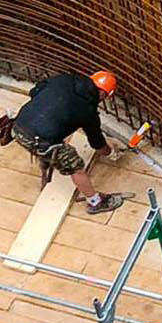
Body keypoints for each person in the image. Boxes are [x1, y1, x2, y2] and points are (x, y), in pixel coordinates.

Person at [10, 67, 125, 215]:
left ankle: (46, 162)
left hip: (17, 126)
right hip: (39, 141)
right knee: (76, 166)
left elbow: (35, 91)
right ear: (103, 93)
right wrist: (111, 153)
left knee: (50, 138)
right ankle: (96, 202)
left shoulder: (63, 79)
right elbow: (97, 144)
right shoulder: (88, 111)